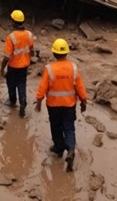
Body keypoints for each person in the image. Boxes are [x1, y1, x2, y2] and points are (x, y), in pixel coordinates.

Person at [35, 38, 87, 172]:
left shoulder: (49, 69)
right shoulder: (74, 68)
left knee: (56, 127)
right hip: (69, 105)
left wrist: (39, 101)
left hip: (53, 106)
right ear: (67, 53)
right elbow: (80, 86)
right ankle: (70, 149)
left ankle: (58, 148)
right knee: (69, 128)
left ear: (54, 53)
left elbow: (43, 87)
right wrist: (84, 101)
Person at [1, 10, 35, 117]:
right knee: (21, 84)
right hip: (24, 66)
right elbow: (31, 50)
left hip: (13, 66)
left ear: (14, 22)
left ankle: (12, 101)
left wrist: (2, 69)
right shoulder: (29, 34)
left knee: (11, 84)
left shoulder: (11, 37)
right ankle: (23, 100)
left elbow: (6, 57)